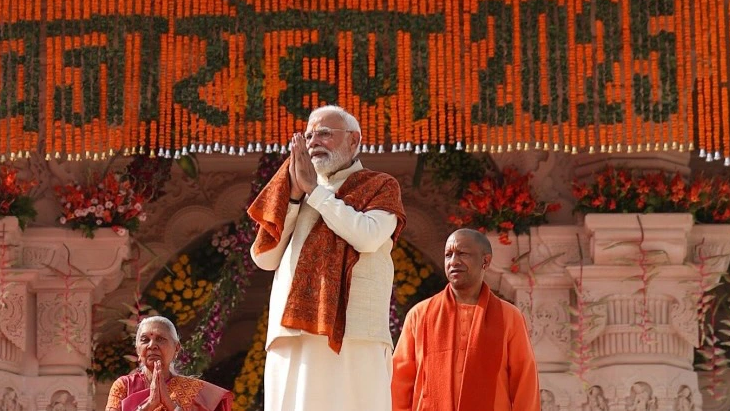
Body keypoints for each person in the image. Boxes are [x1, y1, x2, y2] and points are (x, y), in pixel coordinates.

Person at [248, 104, 405, 411]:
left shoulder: (380, 185)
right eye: (308, 136)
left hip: (355, 334)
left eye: (324, 133)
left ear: (354, 141)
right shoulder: (294, 187)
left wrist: (315, 192)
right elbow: (265, 259)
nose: (313, 142)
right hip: (291, 333)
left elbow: (368, 237)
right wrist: (295, 197)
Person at [391, 228, 541, 411]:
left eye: (462, 254)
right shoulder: (419, 315)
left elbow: (524, 382)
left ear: (485, 261)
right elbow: (399, 381)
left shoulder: (508, 316)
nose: (453, 261)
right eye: (448, 255)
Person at [105, 315, 232, 411]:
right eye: (145, 340)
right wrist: (149, 405)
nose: (152, 345)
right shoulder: (123, 386)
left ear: (176, 348)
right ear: (138, 349)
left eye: (160, 339)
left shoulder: (195, 391)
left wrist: (171, 405)